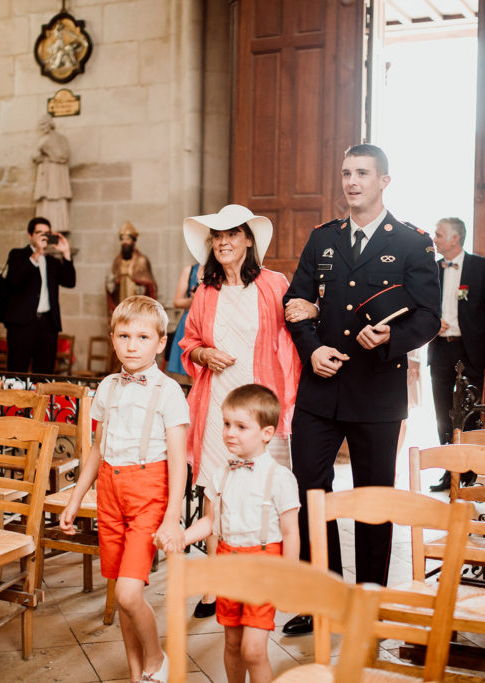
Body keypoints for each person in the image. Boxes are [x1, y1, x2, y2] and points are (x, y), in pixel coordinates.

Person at [280, 144, 440, 635]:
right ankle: (321, 595)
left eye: (363, 174)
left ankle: (369, 600)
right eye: (347, 173)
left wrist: (394, 337)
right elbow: (295, 300)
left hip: (376, 392)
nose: (352, 182)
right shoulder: (322, 239)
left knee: (373, 499)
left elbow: (430, 317)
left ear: (383, 181)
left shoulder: (413, 242)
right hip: (320, 390)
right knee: (310, 491)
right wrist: (310, 350)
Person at [179, 203, 301, 617]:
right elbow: (188, 342)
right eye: (217, 237)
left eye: (232, 234)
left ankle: (264, 575)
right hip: (217, 403)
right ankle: (214, 585)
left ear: (248, 239)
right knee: (216, 492)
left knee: (263, 490)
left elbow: (296, 330)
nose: (224, 242)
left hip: (262, 400)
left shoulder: (274, 283)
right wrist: (204, 352)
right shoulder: (206, 290)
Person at [59, 296, 188, 683]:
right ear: (113, 339)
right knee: (120, 596)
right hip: (110, 494)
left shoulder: (168, 392)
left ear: (160, 342)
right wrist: (76, 496)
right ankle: (138, 675)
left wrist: (172, 518)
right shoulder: (108, 386)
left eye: (143, 337)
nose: (133, 345)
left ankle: (157, 661)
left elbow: (180, 461)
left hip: (149, 491)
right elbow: (98, 449)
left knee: (130, 594)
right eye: (125, 336)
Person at [157, 384, 300, 683]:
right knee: (233, 644)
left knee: (253, 649)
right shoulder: (221, 473)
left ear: (266, 432)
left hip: (265, 566)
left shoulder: (280, 478)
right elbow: (211, 521)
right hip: (227, 565)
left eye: (241, 426)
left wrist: (289, 580)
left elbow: (290, 532)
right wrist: (182, 536)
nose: (230, 432)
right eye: (226, 424)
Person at [428, 216, 485, 491]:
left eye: (438, 235)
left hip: (470, 350)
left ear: (455, 239)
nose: (434, 238)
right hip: (440, 348)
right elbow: (422, 307)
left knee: (470, 411)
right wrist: (431, 322)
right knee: (443, 412)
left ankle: (469, 470)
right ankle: (449, 470)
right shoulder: (432, 268)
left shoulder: (481, 268)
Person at [2, 216, 76, 374]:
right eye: (39, 233)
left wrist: (66, 253)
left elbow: (70, 282)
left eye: (47, 233)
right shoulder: (17, 255)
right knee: (17, 372)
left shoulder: (53, 261)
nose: (43, 236)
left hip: (48, 324)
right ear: (30, 235)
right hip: (21, 324)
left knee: (44, 374)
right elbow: (15, 281)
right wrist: (36, 254)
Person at [32, 115, 72, 234]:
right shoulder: (42, 140)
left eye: (44, 124)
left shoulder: (61, 139)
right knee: (46, 201)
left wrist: (49, 151)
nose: (43, 128)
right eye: (41, 126)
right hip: (45, 174)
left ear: (50, 124)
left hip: (56, 174)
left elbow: (64, 155)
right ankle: (44, 230)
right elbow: (35, 156)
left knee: (56, 197)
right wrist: (38, 155)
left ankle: (56, 230)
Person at [107, 221, 157, 313]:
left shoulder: (141, 260)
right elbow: (113, 283)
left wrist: (143, 288)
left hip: (136, 300)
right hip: (121, 299)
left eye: (127, 239)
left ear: (133, 241)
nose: (124, 242)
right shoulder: (117, 261)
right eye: (122, 239)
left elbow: (150, 285)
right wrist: (111, 285)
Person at [165, 262, 200, 375]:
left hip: (210, 322)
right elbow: (177, 301)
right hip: (190, 322)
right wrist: (192, 300)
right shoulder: (190, 271)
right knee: (188, 371)